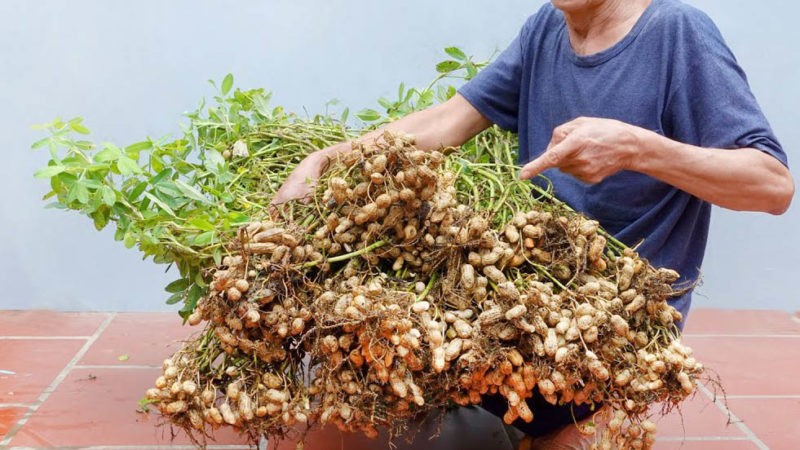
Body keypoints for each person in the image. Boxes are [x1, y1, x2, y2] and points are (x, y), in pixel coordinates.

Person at [273, 0, 794, 447]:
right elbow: (449, 120)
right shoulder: (548, 27)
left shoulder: (677, 33)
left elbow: (772, 185)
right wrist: (326, 160)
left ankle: (583, 417)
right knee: (349, 334)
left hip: (610, 325)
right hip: (528, 294)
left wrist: (637, 148)